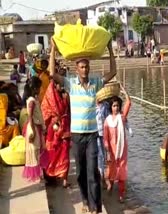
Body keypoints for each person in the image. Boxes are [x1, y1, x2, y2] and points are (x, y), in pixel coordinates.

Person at [49, 37, 117, 214]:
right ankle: (85, 200)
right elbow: (51, 74)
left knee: (92, 171)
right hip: (77, 136)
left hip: (93, 134)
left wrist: (110, 49)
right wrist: (53, 49)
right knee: (80, 173)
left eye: (87, 66)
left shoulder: (95, 83)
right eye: (82, 67)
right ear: (76, 69)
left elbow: (113, 72)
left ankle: (95, 208)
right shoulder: (71, 83)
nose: (85, 69)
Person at [41, 79, 71, 188]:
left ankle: (64, 179)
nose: (62, 87)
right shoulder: (50, 98)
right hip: (53, 130)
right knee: (52, 153)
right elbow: (45, 111)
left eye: (63, 85)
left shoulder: (66, 96)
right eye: (60, 85)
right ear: (55, 85)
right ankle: (51, 174)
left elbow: (69, 112)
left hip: (65, 127)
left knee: (65, 154)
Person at [103, 86, 131, 203]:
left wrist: (124, 92)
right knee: (110, 170)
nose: (116, 108)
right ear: (111, 107)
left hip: (122, 149)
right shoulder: (107, 121)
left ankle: (121, 194)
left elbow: (128, 102)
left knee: (121, 171)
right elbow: (105, 138)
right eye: (114, 106)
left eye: (118, 106)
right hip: (111, 150)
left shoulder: (122, 118)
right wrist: (108, 152)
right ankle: (109, 184)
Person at [22, 76, 47, 182]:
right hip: (33, 128)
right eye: (39, 87)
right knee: (34, 150)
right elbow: (30, 116)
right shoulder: (31, 100)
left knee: (38, 149)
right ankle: (36, 175)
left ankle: (39, 174)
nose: (40, 89)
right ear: (35, 88)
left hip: (36, 127)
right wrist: (32, 131)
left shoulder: (34, 99)